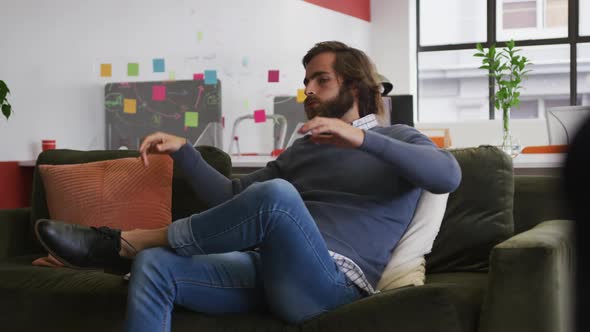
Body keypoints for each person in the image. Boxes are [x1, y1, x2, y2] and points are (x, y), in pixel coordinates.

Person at [34, 41, 462, 331]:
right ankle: (139, 249)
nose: (307, 90)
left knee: (277, 198)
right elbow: (234, 200)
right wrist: (185, 152)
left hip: (331, 285)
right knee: (157, 266)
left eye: (321, 80)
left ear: (353, 86)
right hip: (266, 269)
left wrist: (363, 139)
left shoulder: (399, 139)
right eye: (306, 81)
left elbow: (447, 176)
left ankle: (126, 242)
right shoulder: (305, 149)